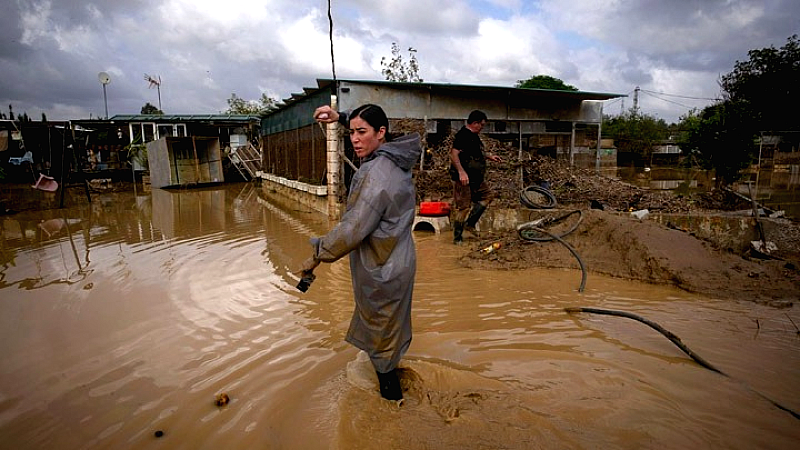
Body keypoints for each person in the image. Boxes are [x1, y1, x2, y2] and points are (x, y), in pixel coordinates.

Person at [299, 104, 421, 402]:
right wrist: (340, 116)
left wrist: (316, 255)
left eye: (361, 132)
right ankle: (392, 388)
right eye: (351, 132)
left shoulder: (375, 175)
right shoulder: (397, 159)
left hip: (383, 269)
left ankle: (391, 413)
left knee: (381, 344)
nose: (354, 139)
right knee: (388, 333)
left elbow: (351, 231)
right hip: (399, 259)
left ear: (381, 133)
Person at [449, 110, 502, 244]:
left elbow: (475, 153)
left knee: (488, 196)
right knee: (464, 207)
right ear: (475, 123)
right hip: (464, 179)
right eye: (481, 125)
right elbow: (453, 154)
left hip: (476, 178)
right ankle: (457, 238)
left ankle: (470, 224)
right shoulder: (463, 135)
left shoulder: (474, 136)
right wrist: (461, 172)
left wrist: (490, 156)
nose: (482, 127)